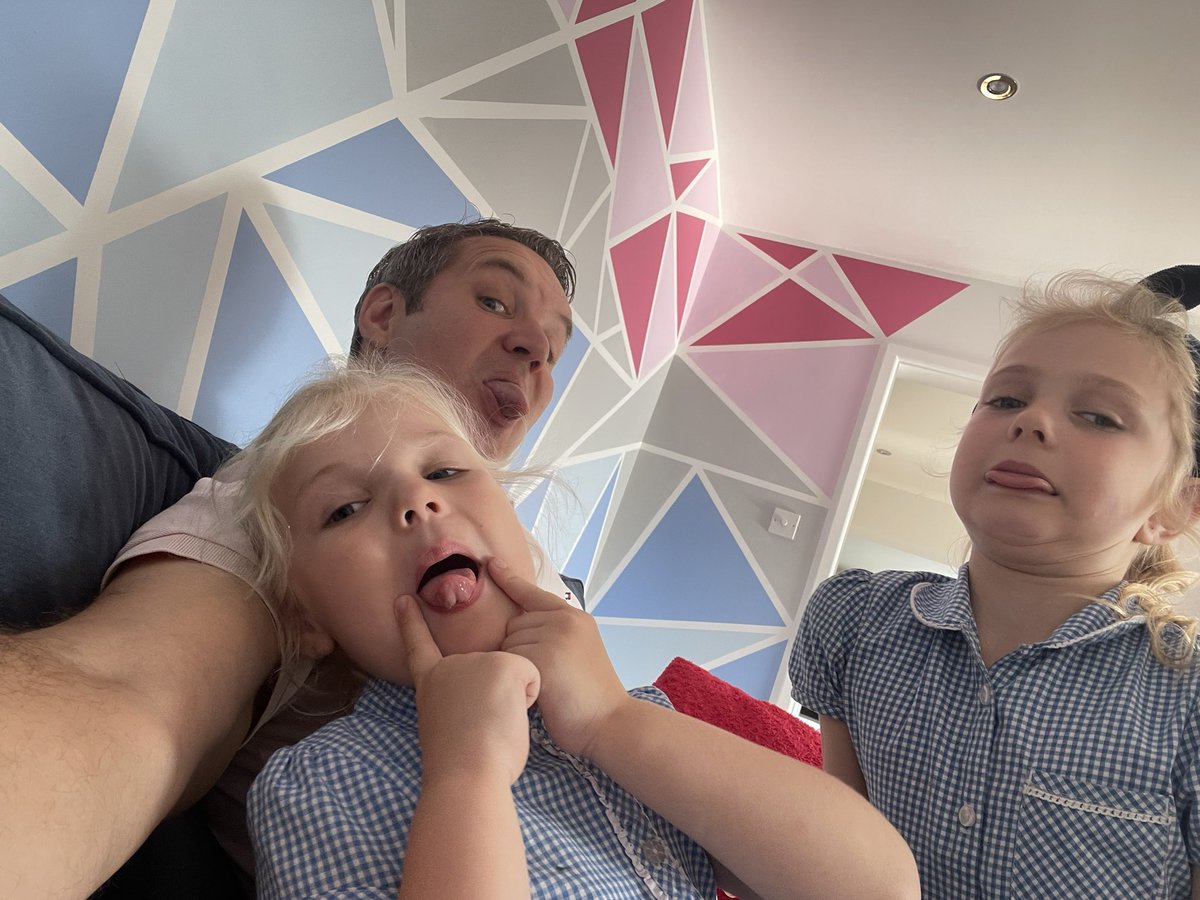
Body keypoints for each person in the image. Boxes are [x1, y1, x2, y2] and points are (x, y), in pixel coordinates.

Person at [0, 220, 580, 898]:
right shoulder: (268, 500)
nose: (536, 348)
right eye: (494, 301)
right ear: (386, 315)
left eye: (556, 345)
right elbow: (129, 696)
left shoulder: (548, 580)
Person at [231, 359, 919, 899]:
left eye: (444, 470)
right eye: (346, 509)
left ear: (517, 529)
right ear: (305, 617)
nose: (417, 500)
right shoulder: (318, 784)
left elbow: (877, 885)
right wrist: (466, 774)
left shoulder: (639, 726)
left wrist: (611, 720)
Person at [791, 272, 1200, 898]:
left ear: (1172, 509)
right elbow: (832, 861)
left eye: (1099, 416)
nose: (1032, 420)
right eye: (1006, 400)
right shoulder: (853, 620)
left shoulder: (1188, 692)